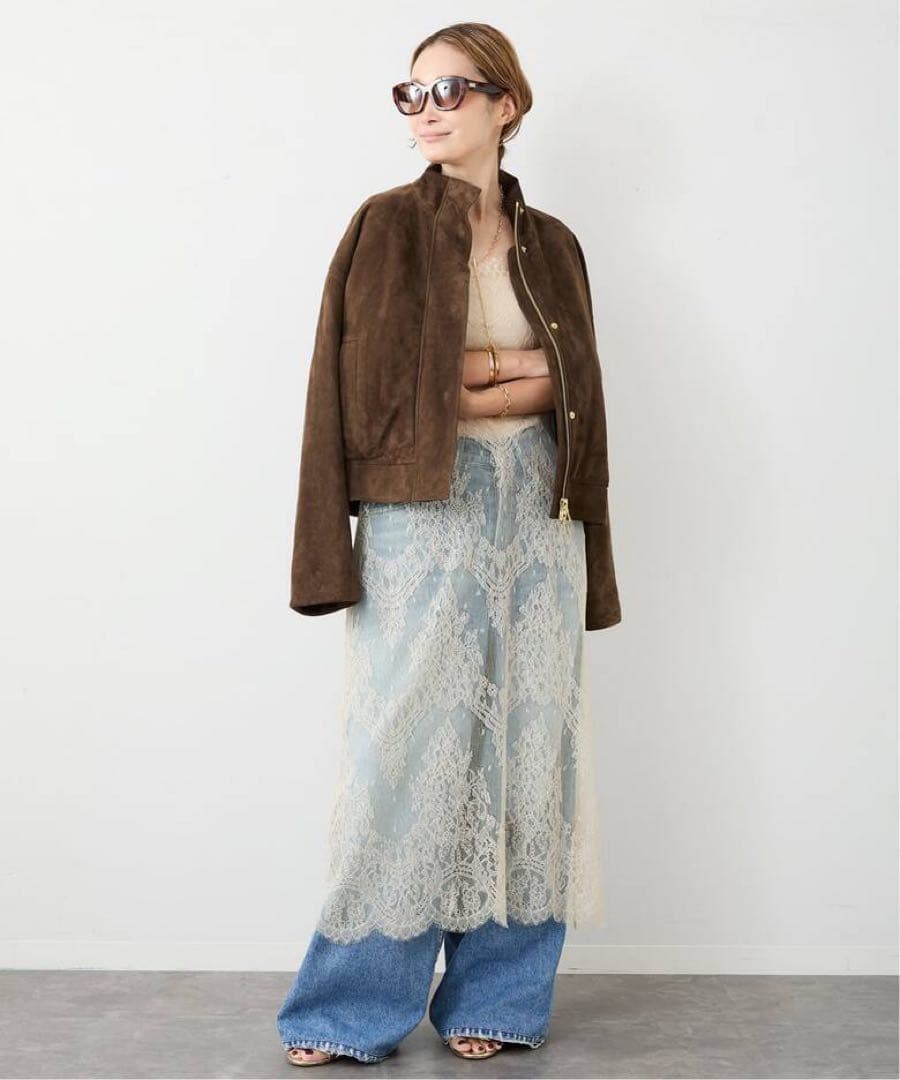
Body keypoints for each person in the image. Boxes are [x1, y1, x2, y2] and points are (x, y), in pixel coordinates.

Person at [277, 21, 622, 1067]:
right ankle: (348, 1011)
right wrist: (503, 378)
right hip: (422, 518)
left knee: (531, 755)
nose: (426, 110)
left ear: (506, 105)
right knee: (404, 757)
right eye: (412, 93)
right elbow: (361, 390)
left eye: (451, 90)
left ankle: (501, 1000)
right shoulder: (382, 228)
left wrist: (485, 379)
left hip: (541, 516)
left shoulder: (553, 243)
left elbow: (580, 388)